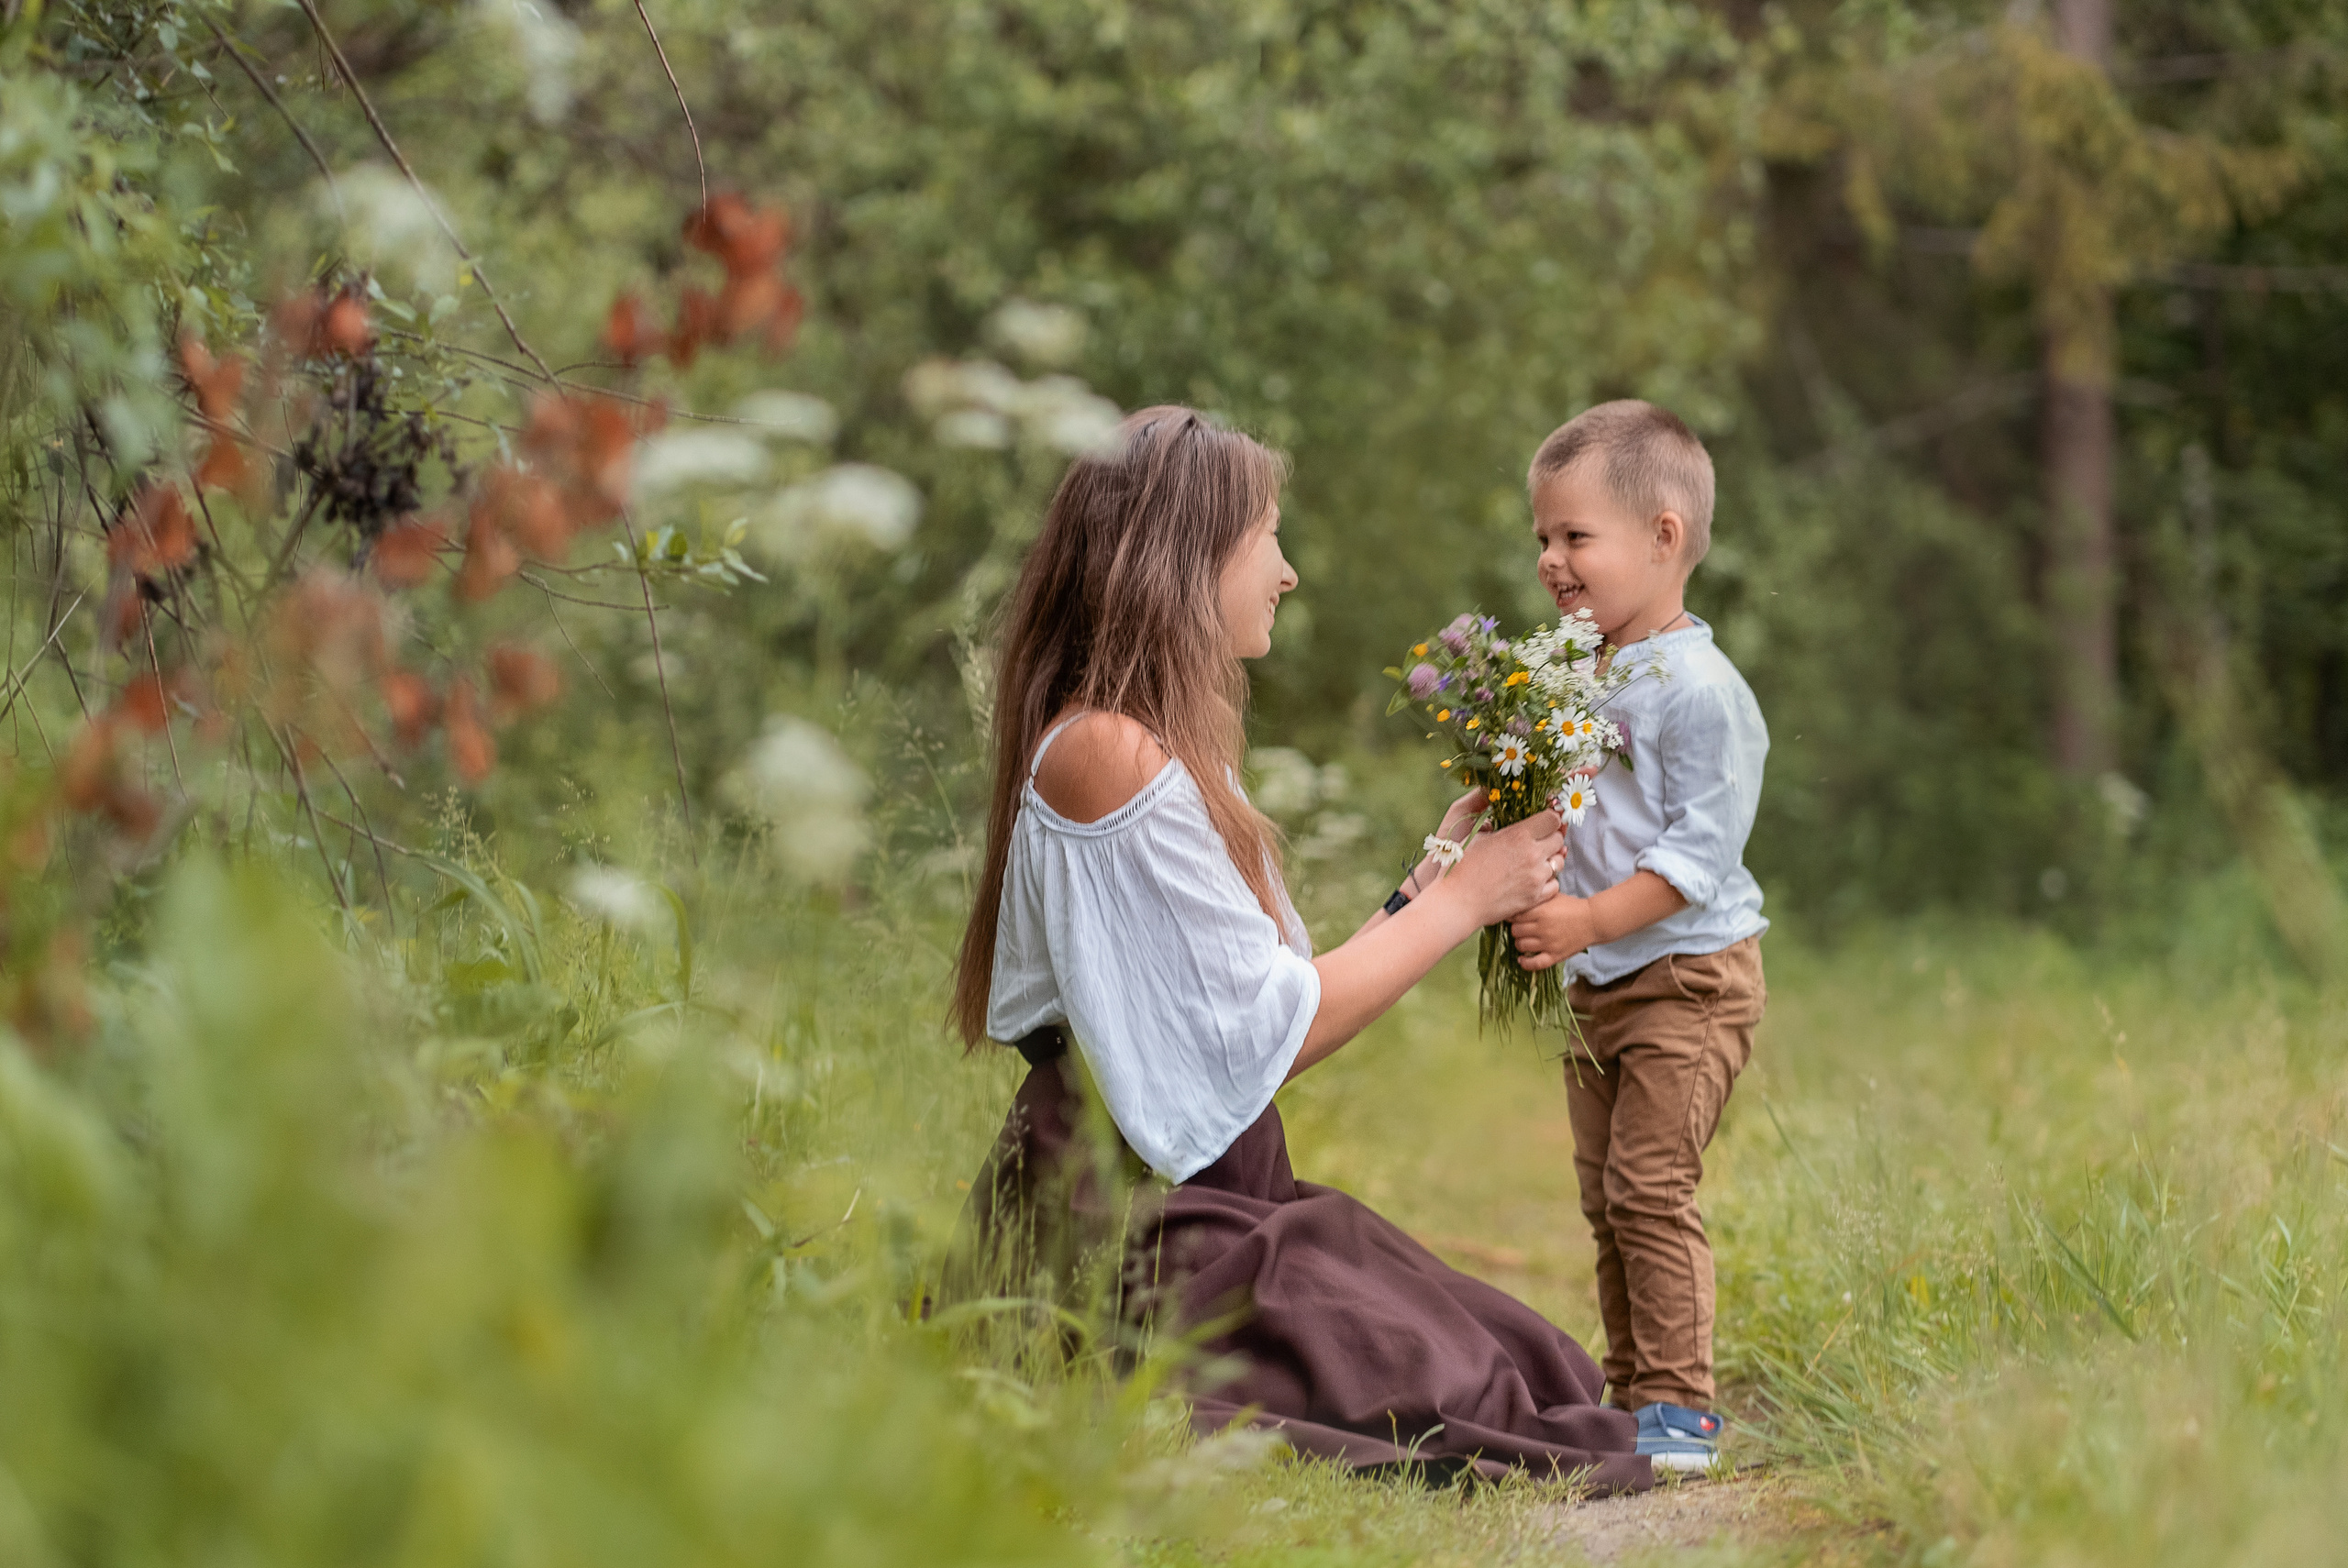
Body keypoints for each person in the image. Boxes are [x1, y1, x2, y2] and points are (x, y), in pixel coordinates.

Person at [948, 406, 1651, 1490]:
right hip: (1130, 1213)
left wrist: (1428, 879)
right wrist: (1466, 900)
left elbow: (1266, 1016)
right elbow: (1269, 1032)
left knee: (1511, 1356)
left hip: (1217, 1187)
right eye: (1268, 536)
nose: (1286, 572)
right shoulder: (1104, 753)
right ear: (1189, 555)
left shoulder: (1152, 747)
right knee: (1444, 1391)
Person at [1505, 401, 1770, 1474]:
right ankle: (1626, 1392)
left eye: (1575, 538)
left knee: (1649, 1189)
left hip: (1688, 980)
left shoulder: (1699, 690)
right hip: (1603, 979)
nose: (1551, 562)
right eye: (1542, 539)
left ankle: (1679, 1407)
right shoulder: (1593, 667)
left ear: (1663, 538)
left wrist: (1583, 919)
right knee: (1602, 1198)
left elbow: (1695, 859)